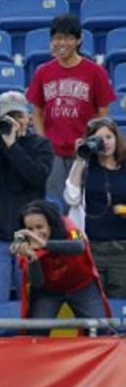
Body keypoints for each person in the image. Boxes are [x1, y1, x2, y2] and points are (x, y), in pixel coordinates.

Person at [0, 91, 53, 316]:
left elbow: (36, 177)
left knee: (32, 304)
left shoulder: (41, 145)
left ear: (28, 118)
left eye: (18, 115)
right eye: (9, 117)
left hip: (28, 238)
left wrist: (11, 146)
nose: (15, 122)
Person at [26, 13, 115, 203]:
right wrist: (44, 143)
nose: (61, 43)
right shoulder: (43, 71)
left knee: (84, 203)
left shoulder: (95, 72)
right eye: (57, 38)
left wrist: (92, 143)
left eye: (67, 37)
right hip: (54, 152)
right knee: (54, 203)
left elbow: (103, 115)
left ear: (79, 39)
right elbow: (37, 112)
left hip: (85, 150)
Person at [11, 200, 110, 322]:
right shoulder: (21, 242)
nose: (35, 234)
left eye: (39, 227)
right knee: (36, 332)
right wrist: (32, 257)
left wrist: (45, 244)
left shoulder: (67, 223)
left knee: (101, 328)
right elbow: (37, 283)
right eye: (30, 229)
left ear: (51, 224)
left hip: (82, 286)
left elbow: (79, 246)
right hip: (48, 291)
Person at [64, 117, 126, 298]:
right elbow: (71, 197)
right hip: (91, 249)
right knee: (93, 304)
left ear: (117, 138)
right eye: (99, 139)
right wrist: (80, 159)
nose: (105, 143)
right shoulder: (86, 168)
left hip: (122, 249)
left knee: (120, 308)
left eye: (109, 137)